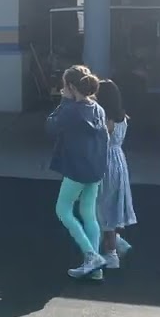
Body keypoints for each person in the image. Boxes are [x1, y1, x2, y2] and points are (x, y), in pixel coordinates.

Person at [46, 65, 109, 279]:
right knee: (88, 214)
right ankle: (95, 270)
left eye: (65, 86)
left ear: (71, 87)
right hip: (95, 169)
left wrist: (63, 101)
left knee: (63, 210)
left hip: (76, 169)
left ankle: (91, 255)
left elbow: (50, 127)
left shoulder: (71, 110)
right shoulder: (98, 109)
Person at [95, 79, 136, 271]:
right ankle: (117, 242)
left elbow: (100, 139)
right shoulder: (122, 117)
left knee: (103, 208)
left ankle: (111, 253)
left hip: (105, 162)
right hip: (119, 160)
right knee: (113, 203)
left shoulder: (107, 120)